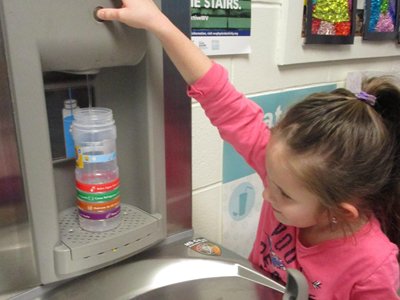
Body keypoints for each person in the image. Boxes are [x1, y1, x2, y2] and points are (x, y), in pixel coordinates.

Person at [97, 1, 400, 299]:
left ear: (341, 213)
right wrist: (159, 24)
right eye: (271, 179)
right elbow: (221, 98)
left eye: (284, 194)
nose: (268, 193)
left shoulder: (373, 267)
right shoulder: (287, 173)